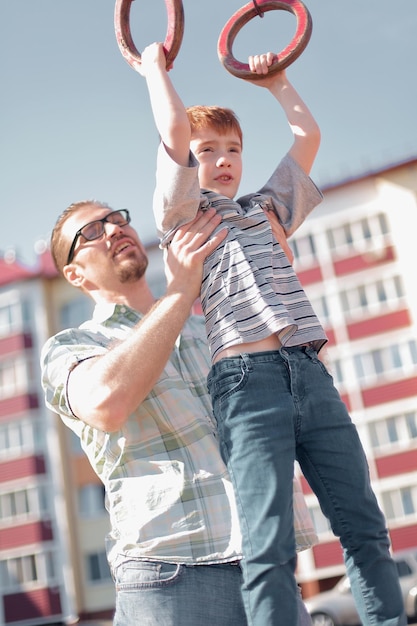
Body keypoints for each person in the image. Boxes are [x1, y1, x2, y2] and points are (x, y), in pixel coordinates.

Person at [138, 42, 406, 626]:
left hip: (309, 372)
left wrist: (278, 83)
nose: (224, 159)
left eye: (234, 148)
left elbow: (307, 138)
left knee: (364, 526)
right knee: (270, 542)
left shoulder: (267, 210)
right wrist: (156, 69)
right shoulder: (183, 215)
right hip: (247, 383)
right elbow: (172, 127)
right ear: (187, 158)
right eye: (207, 150)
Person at [40, 200, 318, 626]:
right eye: (92, 231)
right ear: (74, 274)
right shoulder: (71, 345)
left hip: (267, 565)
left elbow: (290, 415)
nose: (113, 229)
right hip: (171, 574)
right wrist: (180, 291)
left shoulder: (212, 332)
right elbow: (105, 403)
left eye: (116, 219)